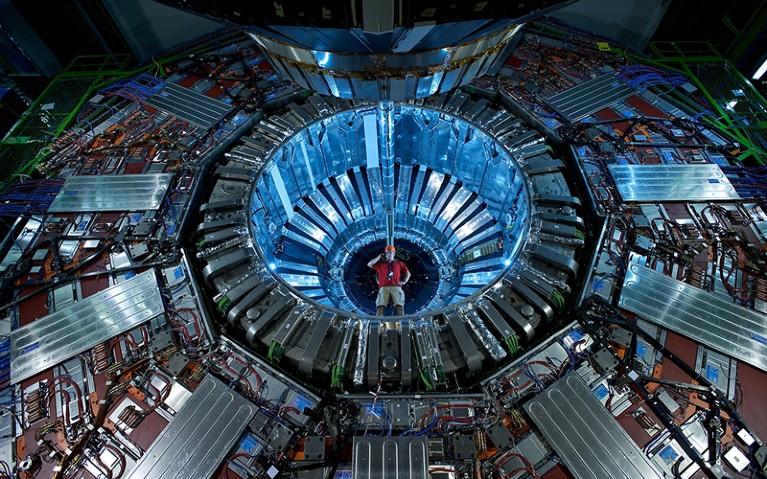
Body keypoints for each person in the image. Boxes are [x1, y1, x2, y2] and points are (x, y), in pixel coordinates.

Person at [367, 245, 410, 320]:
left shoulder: (399, 264)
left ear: (394, 253)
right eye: (387, 253)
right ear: (385, 254)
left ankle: (402, 323)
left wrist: (403, 282)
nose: (389, 254)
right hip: (384, 287)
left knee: (400, 306)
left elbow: (408, 273)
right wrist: (378, 257)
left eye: (390, 252)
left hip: (396, 286)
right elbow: (369, 264)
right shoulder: (380, 265)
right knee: (380, 306)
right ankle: (377, 323)